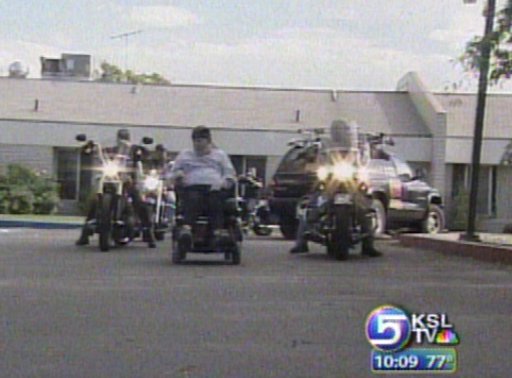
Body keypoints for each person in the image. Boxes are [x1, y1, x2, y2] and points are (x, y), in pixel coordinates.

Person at [289, 119, 381, 257]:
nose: (339, 132)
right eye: (337, 129)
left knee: (365, 206)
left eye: (342, 129)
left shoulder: (355, 146)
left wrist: (371, 155)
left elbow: (363, 157)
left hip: (351, 179)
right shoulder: (325, 143)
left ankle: (368, 244)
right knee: (311, 205)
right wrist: (306, 153)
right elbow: (314, 153)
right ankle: (301, 242)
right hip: (330, 179)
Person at [76, 128, 156, 248]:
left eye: (125, 137)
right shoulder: (110, 150)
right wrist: (90, 146)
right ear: (117, 138)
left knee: (138, 200)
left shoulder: (133, 149)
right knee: (94, 199)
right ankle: (85, 233)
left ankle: (148, 232)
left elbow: (145, 155)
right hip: (109, 178)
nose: (122, 140)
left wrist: (142, 151)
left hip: (126, 180)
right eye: (121, 137)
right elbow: (94, 153)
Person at [167, 125, 236, 247]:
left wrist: (225, 182)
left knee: (215, 200)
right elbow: (173, 172)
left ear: (208, 141)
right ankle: (186, 229)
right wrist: (178, 176)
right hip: (192, 187)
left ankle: (218, 231)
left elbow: (229, 173)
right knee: (193, 198)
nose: (197, 144)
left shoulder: (220, 155)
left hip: (214, 187)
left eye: (200, 141)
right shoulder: (185, 155)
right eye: (195, 141)